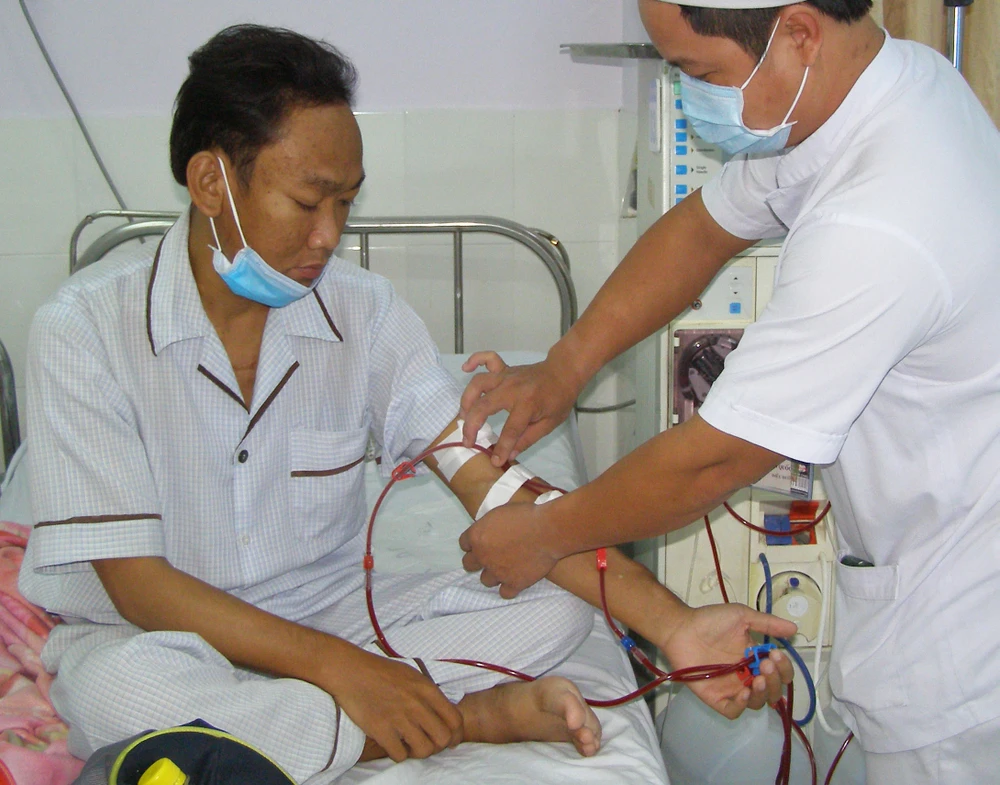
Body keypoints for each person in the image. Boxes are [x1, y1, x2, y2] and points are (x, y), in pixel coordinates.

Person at [19, 23, 794, 785]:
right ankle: (466, 718)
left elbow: (496, 490)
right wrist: (345, 670)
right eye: (308, 201)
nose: (330, 235)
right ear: (211, 182)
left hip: (326, 611)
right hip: (157, 635)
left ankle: (290, 726)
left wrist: (673, 625)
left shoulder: (365, 314)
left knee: (560, 612)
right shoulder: (83, 332)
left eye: (346, 203)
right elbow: (137, 583)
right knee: (120, 696)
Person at [458, 0, 1000, 782]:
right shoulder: (878, 87)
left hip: (963, 651)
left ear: (799, 34)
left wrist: (544, 534)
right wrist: (566, 364)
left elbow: (717, 458)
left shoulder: (881, 220)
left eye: (699, 72)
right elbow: (705, 228)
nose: (689, 98)